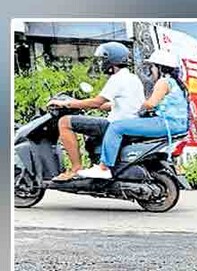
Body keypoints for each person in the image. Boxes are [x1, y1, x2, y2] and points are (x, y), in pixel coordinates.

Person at [78, 49, 190, 180]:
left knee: (116, 127)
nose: (151, 71)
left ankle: (104, 167)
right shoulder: (176, 83)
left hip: (166, 123)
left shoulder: (163, 82)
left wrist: (135, 105)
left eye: (152, 67)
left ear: (160, 67)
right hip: (176, 125)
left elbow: (150, 104)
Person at [46, 41, 144, 182]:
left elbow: (97, 102)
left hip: (115, 124)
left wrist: (67, 103)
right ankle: (95, 165)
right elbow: (118, 104)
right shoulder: (133, 78)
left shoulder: (117, 79)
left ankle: (75, 169)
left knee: (64, 122)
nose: (100, 63)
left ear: (110, 61)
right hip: (129, 122)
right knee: (90, 135)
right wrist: (88, 105)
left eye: (102, 60)